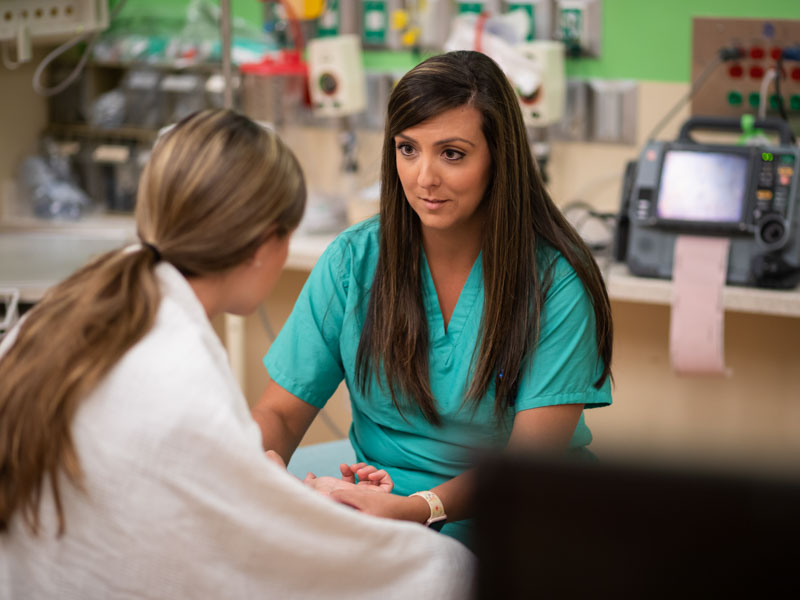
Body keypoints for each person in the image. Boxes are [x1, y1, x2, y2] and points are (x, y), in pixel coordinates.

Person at [0, 109, 474, 599]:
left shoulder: (80, 306)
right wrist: (305, 503)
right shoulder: (181, 374)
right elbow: (257, 555)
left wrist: (262, 480)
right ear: (262, 245)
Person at [252, 50, 614, 547]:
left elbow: (527, 467)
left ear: (498, 158)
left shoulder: (557, 282)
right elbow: (280, 412)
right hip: (377, 505)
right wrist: (261, 465)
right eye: (407, 149)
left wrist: (417, 508)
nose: (424, 177)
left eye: (452, 153)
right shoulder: (354, 262)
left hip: (515, 515)